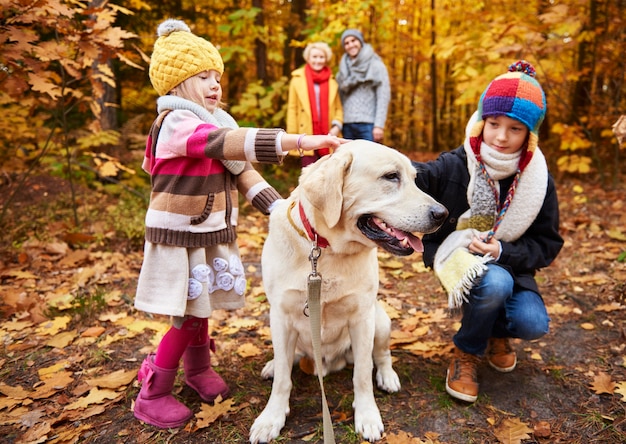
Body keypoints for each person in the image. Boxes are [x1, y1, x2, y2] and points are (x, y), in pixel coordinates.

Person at [133, 19, 344, 429]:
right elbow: (227, 144)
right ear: (176, 85)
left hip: (207, 231)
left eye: (217, 77)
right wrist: (299, 141)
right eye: (203, 77)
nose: (215, 85)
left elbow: (243, 172)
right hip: (180, 236)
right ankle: (153, 391)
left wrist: (284, 213)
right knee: (186, 314)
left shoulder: (217, 122)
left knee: (202, 305)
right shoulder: (178, 124)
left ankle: (197, 371)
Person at [412, 61, 563, 403]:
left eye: (515, 129)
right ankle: (467, 352)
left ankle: (495, 331)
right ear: (483, 121)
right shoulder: (456, 163)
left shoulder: (538, 182)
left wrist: (501, 252)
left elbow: (547, 244)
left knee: (533, 323)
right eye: (494, 124)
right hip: (459, 260)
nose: (501, 137)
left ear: (530, 135)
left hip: (513, 267)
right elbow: (416, 174)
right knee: (495, 283)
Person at [286, 42, 343, 168]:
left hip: (329, 134)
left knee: (329, 173)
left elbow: (338, 108)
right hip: (306, 133)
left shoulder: (332, 80)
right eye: (314, 57)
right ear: (308, 58)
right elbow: (292, 109)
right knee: (309, 174)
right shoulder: (297, 79)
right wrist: (292, 137)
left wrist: (336, 127)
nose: (318, 60)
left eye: (321, 57)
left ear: (326, 58)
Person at [336, 29, 390, 143]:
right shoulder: (342, 69)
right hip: (346, 124)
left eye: (353, 40)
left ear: (360, 41)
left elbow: (383, 96)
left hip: (368, 125)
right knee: (349, 160)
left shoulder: (375, 65)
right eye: (346, 43)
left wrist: (379, 125)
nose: (350, 45)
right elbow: (339, 98)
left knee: (369, 160)